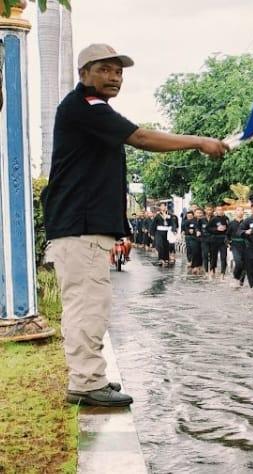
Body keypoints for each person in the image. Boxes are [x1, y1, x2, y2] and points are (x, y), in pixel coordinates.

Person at [42, 43, 228, 407]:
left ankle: (90, 375)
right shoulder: (87, 108)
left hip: (82, 227)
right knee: (86, 306)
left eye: (119, 72)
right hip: (80, 227)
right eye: (105, 70)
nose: (114, 77)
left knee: (91, 303)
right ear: (84, 74)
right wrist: (200, 142)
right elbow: (141, 137)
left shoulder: (92, 111)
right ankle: (85, 383)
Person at [206, 205, 230, 279]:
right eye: (218, 210)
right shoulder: (213, 219)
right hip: (215, 239)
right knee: (213, 256)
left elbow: (229, 228)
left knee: (224, 257)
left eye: (221, 209)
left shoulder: (226, 218)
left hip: (223, 240)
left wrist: (227, 232)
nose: (220, 211)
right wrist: (216, 229)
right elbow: (208, 228)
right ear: (216, 211)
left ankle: (222, 273)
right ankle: (212, 269)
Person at [228, 206, 247, 287]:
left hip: (246, 245)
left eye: (242, 210)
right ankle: (235, 277)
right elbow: (227, 235)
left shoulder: (246, 223)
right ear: (235, 212)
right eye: (238, 210)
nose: (240, 212)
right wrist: (228, 242)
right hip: (235, 244)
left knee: (246, 264)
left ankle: (241, 281)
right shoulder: (231, 223)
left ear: (243, 212)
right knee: (238, 262)